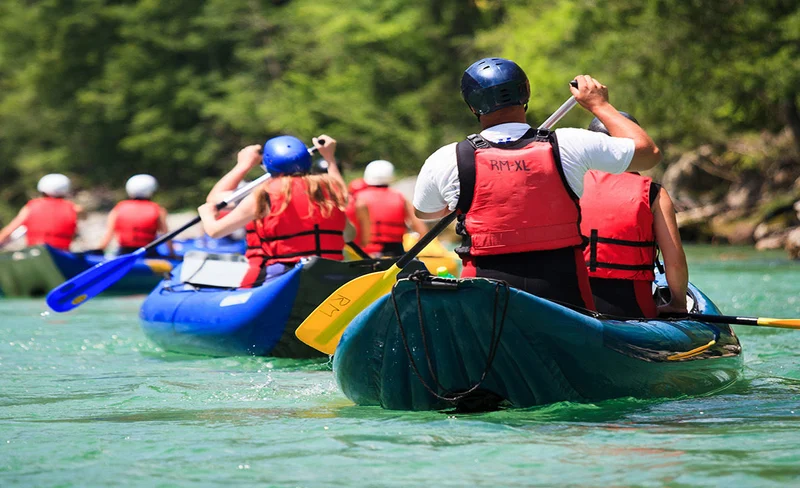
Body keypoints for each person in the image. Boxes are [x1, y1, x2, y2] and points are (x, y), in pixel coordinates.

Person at [413, 58, 662, 310]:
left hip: (487, 295)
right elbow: (648, 153)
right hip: (564, 294)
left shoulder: (446, 159)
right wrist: (600, 105)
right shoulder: (570, 143)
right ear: (525, 93)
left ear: (471, 106)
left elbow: (426, 212)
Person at [198, 135, 350, 288]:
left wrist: (243, 165)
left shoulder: (263, 195)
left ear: (268, 165)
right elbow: (343, 200)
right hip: (331, 273)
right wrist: (329, 158)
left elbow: (215, 229)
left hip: (283, 276)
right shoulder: (329, 189)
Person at [581, 113, 688, 317]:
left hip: (570, 302)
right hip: (632, 307)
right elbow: (674, 261)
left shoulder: (567, 183)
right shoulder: (653, 193)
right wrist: (678, 304)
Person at [350, 160, 428, 257]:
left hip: (364, 253)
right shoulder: (400, 198)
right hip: (395, 253)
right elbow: (422, 231)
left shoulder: (357, 198)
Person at [0, 174, 80, 251]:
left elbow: (9, 230)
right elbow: (74, 233)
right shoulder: (74, 208)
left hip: (37, 252)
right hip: (62, 253)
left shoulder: (31, 207)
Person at [97, 174, 169, 256]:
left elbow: (109, 234)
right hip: (148, 253)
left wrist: (100, 250)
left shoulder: (119, 208)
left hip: (123, 253)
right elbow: (165, 235)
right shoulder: (158, 210)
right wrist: (172, 254)